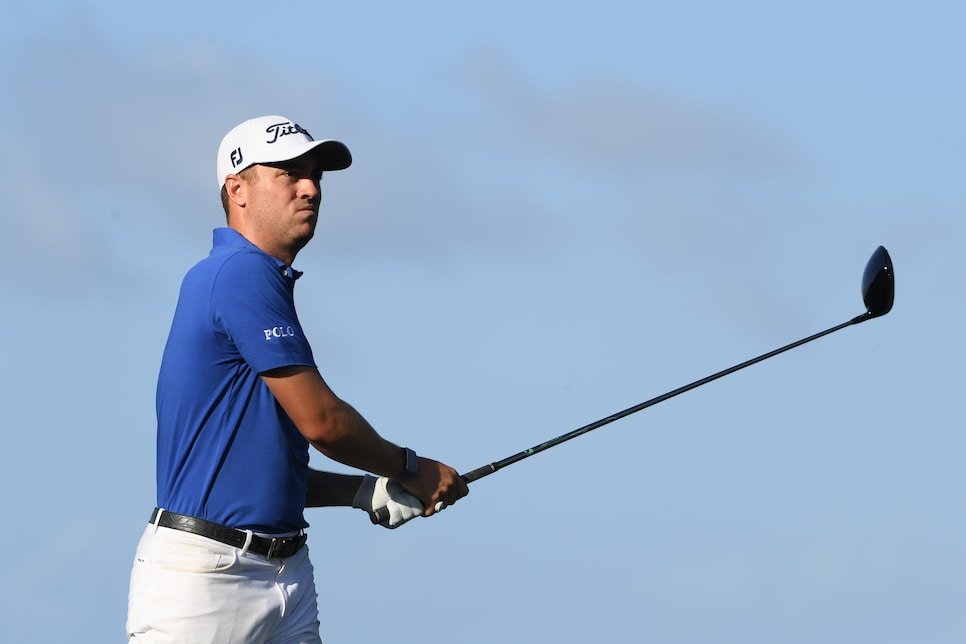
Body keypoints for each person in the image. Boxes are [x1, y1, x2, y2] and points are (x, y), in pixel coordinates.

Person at [127, 115, 469, 642]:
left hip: (284, 574)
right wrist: (410, 468)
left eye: (316, 176)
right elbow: (324, 424)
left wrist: (364, 491)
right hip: (205, 582)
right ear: (237, 189)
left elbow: (260, 471)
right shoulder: (240, 273)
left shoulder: (252, 278)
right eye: (289, 173)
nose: (310, 188)